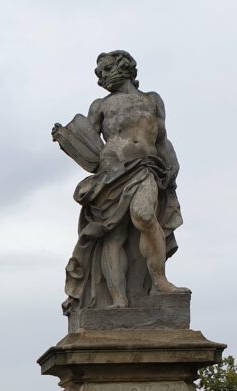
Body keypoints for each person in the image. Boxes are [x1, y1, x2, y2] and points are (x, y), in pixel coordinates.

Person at [52, 50, 187, 311]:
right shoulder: (100, 105)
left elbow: (161, 139)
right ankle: (118, 300)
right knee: (113, 236)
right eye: (99, 74)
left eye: (105, 70)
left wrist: (174, 162)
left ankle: (160, 281)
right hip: (110, 174)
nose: (101, 77)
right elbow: (88, 144)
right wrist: (66, 139)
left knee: (144, 216)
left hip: (146, 166)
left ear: (124, 67)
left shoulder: (152, 99)